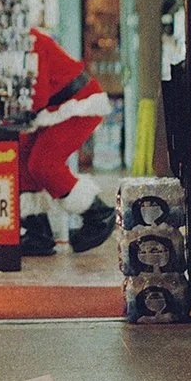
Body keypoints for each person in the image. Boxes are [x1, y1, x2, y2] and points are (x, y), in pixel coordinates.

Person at [21, 28, 117, 255]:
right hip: (56, 108)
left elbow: (39, 94)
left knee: (44, 164)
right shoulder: (25, 38)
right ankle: (38, 233)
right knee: (24, 160)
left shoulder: (30, 40)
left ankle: (99, 215)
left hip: (79, 105)